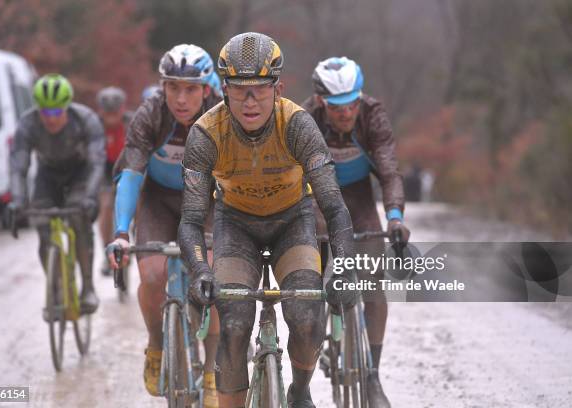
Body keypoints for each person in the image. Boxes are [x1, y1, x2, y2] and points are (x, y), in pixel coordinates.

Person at [178, 32, 359, 408]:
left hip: (292, 221)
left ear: (278, 88)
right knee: (233, 325)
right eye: (238, 88)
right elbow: (192, 221)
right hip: (236, 226)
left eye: (259, 88)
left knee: (308, 317)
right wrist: (199, 271)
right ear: (223, 88)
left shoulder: (298, 125)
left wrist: (341, 267)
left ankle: (300, 390)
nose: (249, 101)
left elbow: (335, 208)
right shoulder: (206, 133)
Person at [105, 44, 221, 405]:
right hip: (157, 199)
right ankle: (156, 343)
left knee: (215, 281)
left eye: (190, 89)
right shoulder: (150, 113)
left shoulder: (222, 113)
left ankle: (214, 369)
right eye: (173, 88)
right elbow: (131, 173)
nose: (181, 99)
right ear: (162, 87)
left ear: (205, 89)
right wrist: (122, 233)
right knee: (153, 275)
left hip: (207, 202)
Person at [303, 56, 410, 408]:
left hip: (360, 198)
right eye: (337, 107)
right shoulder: (306, 118)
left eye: (351, 103)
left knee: (373, 283)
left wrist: (394, 217)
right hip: (317, 199)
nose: (346, 113)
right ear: (321, 101)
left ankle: (372, 377)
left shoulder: (372, 114)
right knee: (312, 278)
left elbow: (389, 171)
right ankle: (319, 333)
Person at [8, 73, 105, 316]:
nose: (50, 118)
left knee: (78, 218)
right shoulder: (27, 124)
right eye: (44, 112)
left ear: (66, 107)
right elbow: (19, 166)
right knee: (44, 230)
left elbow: (96, 163)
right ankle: (57, 290)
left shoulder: (85, 119)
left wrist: (91, 196)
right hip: (47, 174)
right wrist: (18, 200)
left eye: (56, 112)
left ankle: (88, 287)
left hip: (79, 173)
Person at [95, 86, 132, 276]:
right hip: (104, 170)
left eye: (115, 112)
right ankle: (105, 250)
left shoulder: (131, 123)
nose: (111, 117)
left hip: (127, 168)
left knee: (139, 203)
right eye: (107, 113)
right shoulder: (95, 126)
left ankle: (137, 243)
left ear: (122, 110)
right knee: (107, 205)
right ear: (101, 111)